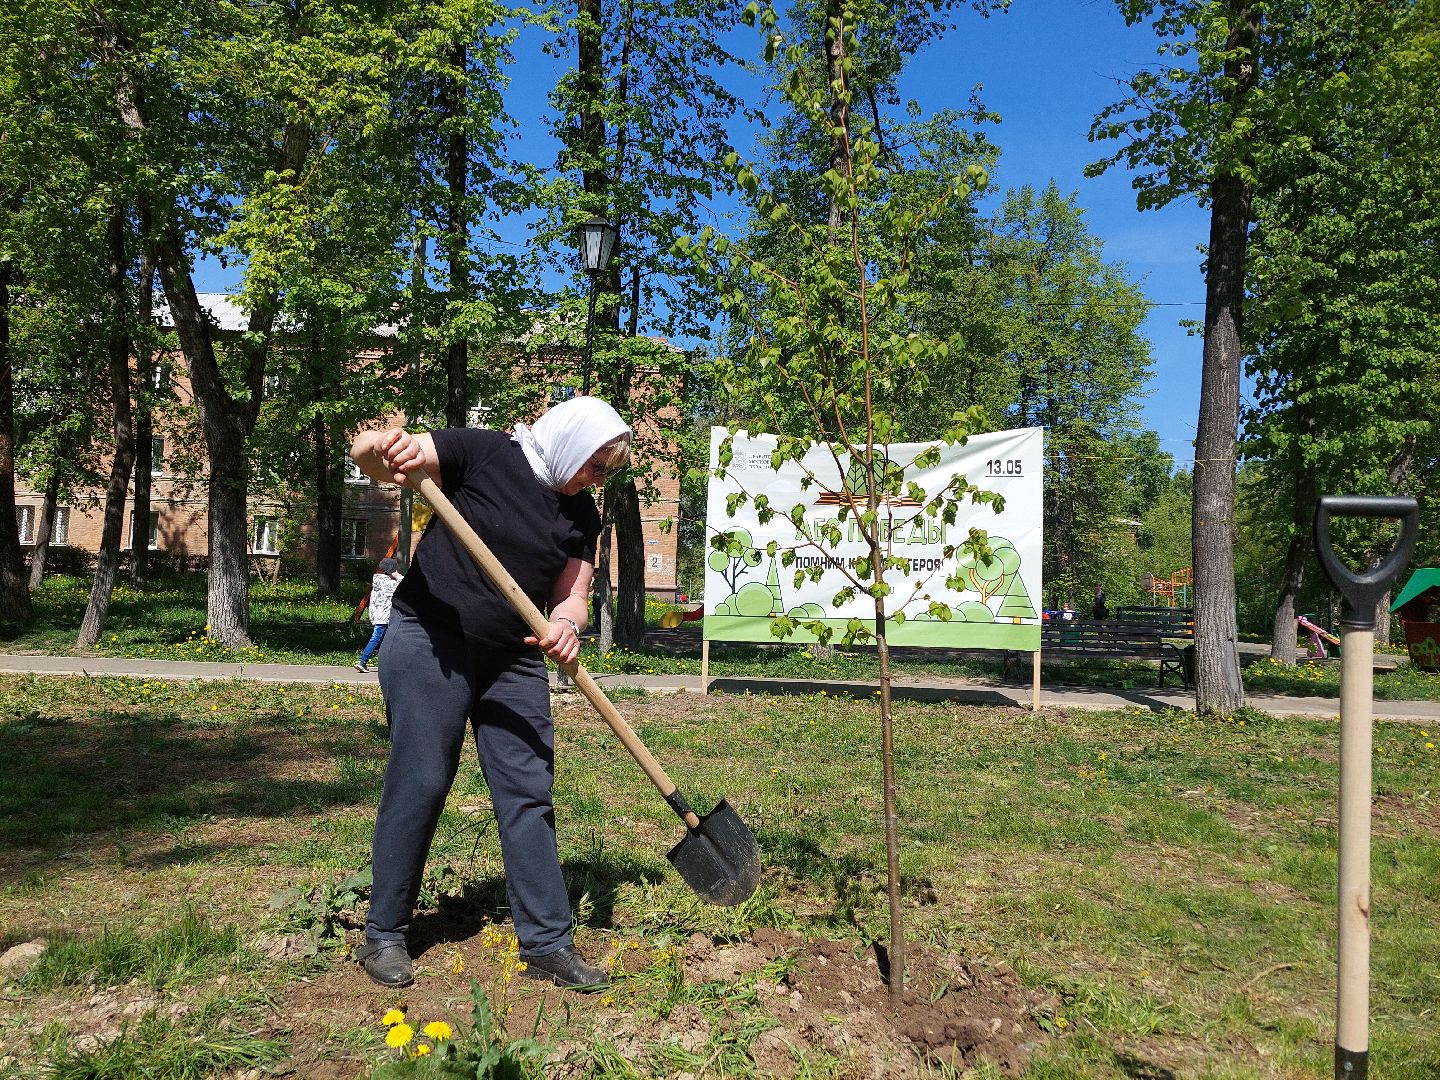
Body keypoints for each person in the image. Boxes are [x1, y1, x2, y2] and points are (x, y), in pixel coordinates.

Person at [347, 396, 632, 992]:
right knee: (422, 778)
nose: (597, 480)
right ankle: (384, 933)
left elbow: (572, 594)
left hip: (514, 657)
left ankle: (548, 942)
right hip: (432, 637)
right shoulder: (485, 453)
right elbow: (377, 459)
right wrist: (383, 447)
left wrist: (568, 625)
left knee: (528, 789)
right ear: (570, 444)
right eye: (595, 466)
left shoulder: (581, 515)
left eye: (606, 471)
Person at [355, 557, 403, 673]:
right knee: (376, 639)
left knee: (383, 640)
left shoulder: (377, 581)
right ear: (391, 570)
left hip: (378, 616)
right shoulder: (388, 583)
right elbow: (405, 584)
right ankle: (362, 661)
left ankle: (385, 663)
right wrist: (396, 575)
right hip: (384, 617)